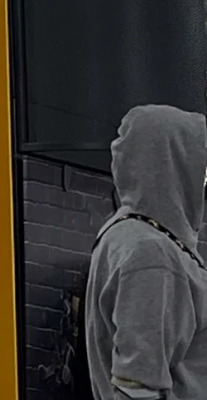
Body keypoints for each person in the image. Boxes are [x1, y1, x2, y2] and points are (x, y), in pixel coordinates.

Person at [87, 105, 207, 400]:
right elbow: (136, 387)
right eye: (201, 164)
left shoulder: (131, 239)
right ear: (176, 162)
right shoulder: (151, 254)